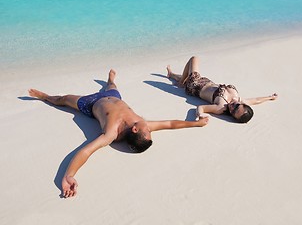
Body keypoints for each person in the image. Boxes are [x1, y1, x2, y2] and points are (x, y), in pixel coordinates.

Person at [28, 69, 209, 198]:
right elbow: (170, 124)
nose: (150, 127)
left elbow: (86, 151)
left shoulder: (111, 133)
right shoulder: (142, 125)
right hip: (115, 97)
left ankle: (44, 96)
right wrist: (195, 124)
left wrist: (69, 175)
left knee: (63, 99)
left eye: (147, 130)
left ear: (135, 130)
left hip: (91, 104)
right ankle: (110, 78)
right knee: (112, 85)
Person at [166, 56, 278, 123]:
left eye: (233, 112)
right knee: (183, 76)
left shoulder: (221, 107)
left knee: (194, 59)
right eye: (237, 106)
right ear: (242, 104)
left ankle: (181, 83)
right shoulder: (240, 99)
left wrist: (199, 115)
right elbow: (256, 100)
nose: (232, 107)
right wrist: (270, 97)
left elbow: (201, 107)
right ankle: (171, 74)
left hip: (194, 85)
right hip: (206, 81)